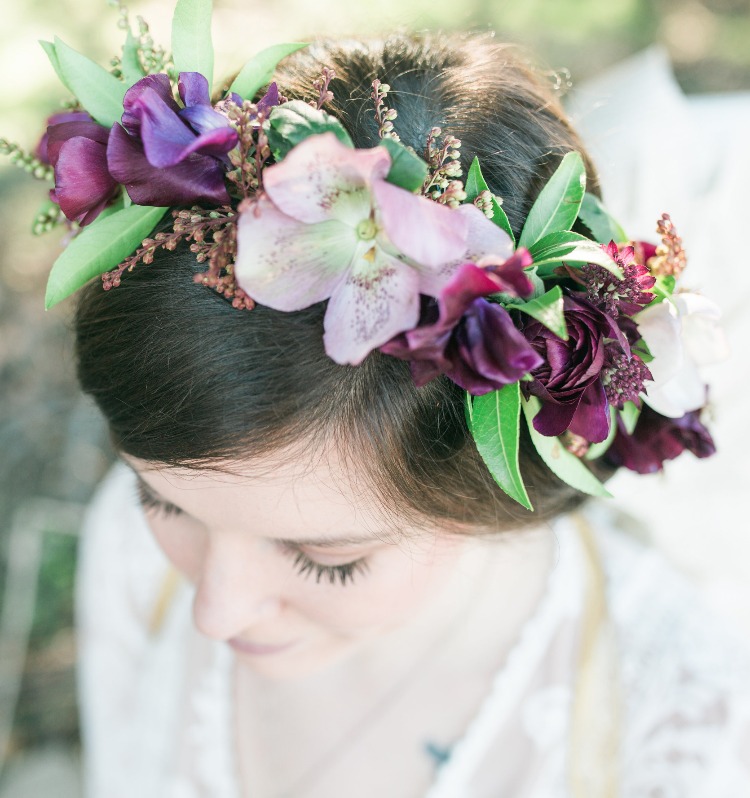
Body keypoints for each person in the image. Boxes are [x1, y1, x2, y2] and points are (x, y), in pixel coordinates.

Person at [8, 5, 749, 795]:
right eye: (163, 502)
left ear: (480, 495)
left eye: (329, 560)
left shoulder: (668, 716)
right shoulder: (126, 553)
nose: (213, 615)